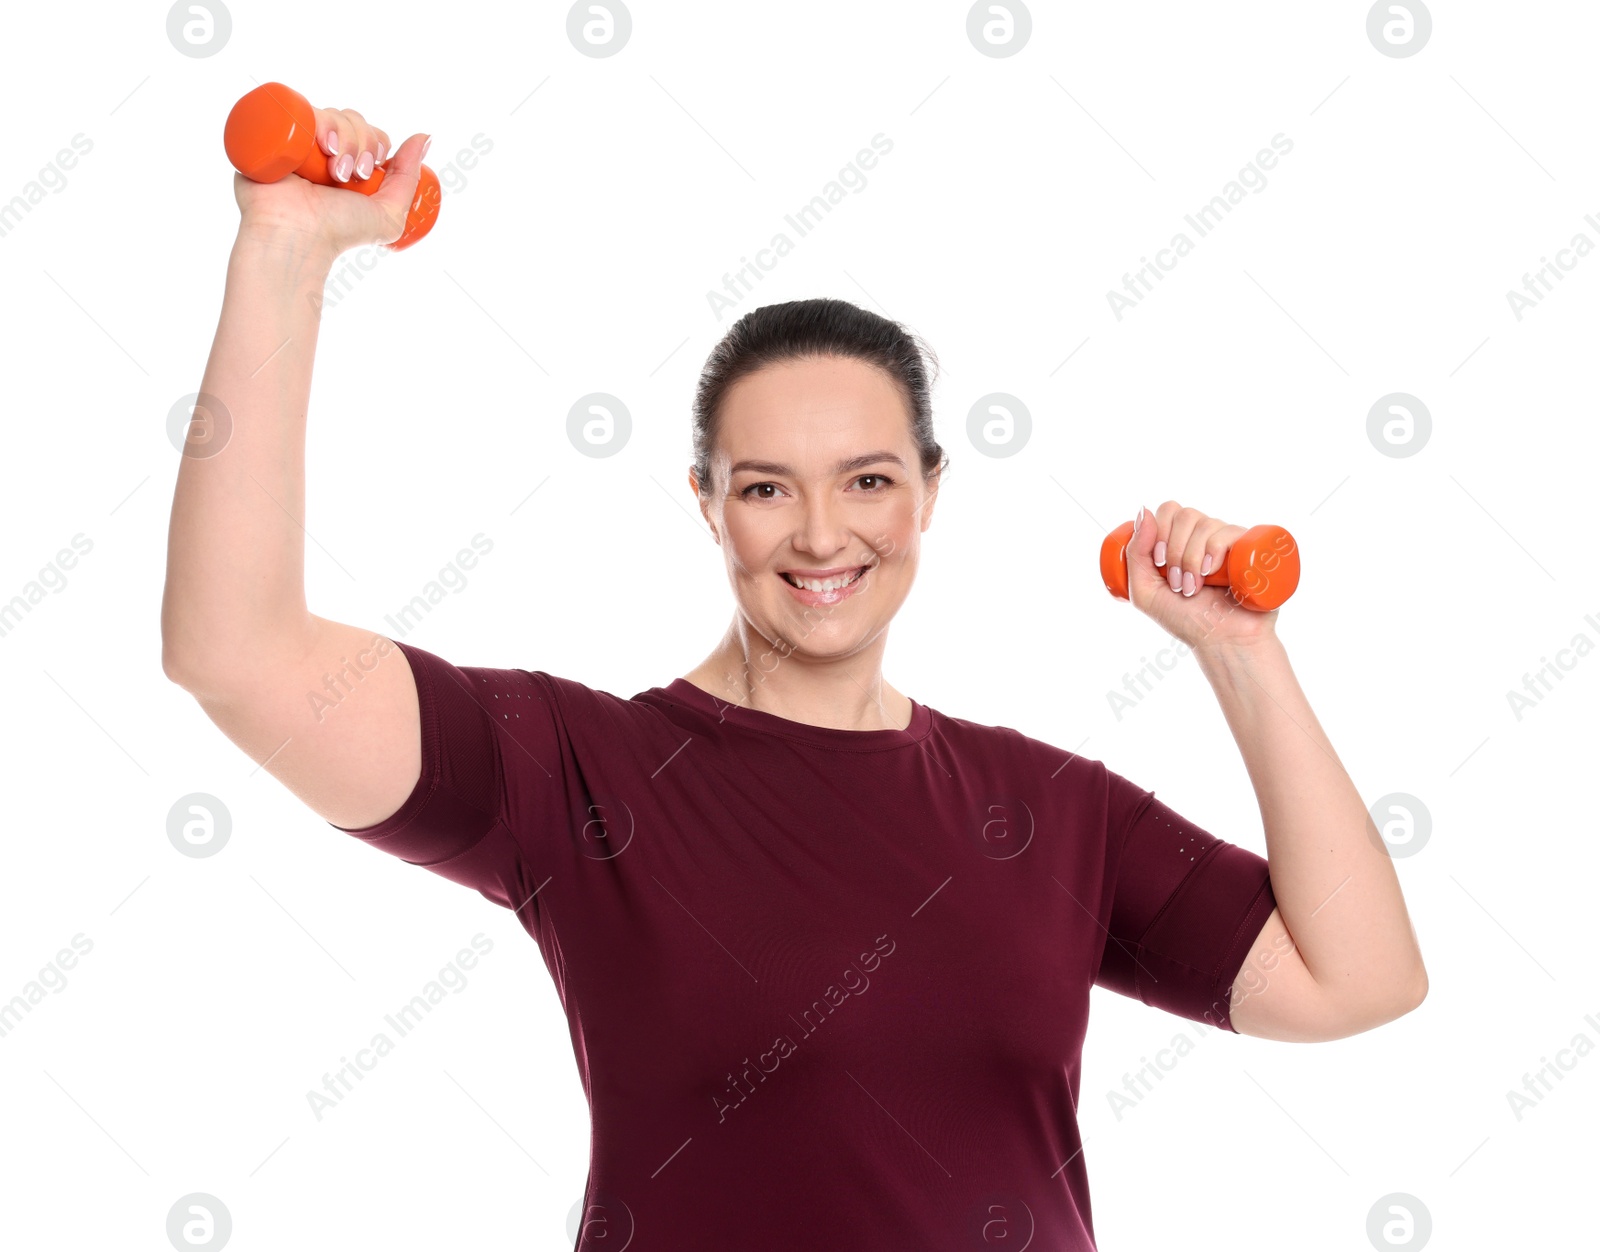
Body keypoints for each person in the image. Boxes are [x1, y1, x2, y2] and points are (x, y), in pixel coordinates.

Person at [162, 103, 1429, 1251]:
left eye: (868, 480)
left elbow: (1361, 979)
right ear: (705, 503)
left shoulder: (1050, 810)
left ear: (932, 491)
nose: (823, 537)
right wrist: (283, 253)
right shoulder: (579, 775)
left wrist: (1239, 653)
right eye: (767, 487)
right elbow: (236, 654)